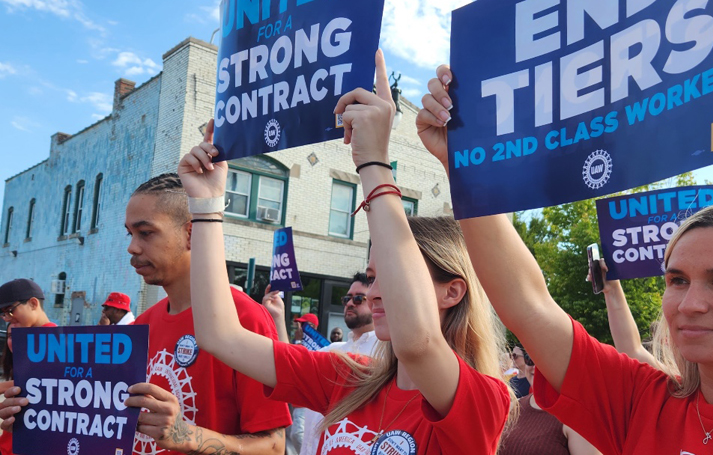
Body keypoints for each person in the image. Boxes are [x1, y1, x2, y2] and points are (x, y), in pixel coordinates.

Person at [416, 1, 713, 453]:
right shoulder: (638, 400)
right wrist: (465, 168)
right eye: (676, 280)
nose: (689, 303)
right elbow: (528, 306)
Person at [177, 50, 514, 454]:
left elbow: (419, 344)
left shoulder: (483, 400)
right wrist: (207, 205)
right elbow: (220, 335)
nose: (372, 293)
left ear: (452, 291)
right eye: (371, 278)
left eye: (389, 275)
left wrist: (373, 160)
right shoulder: (348, 377)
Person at [0, 175, 292, 455]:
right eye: (130, 233)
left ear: (192, 233)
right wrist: (37, 417)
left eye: (146, 232)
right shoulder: (141, 326)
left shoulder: (245, 319)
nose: (132, 246)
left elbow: (274, 447)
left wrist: (186, 436)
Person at [298, 273, 380, 455]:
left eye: (359, 298)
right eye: (347, 298)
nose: (350, 303)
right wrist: (278, 317)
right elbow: (295, 371)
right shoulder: (332, 350)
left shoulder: (388, 354)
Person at [499, 351, 601, 455]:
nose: (537, 366)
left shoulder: (579, 416)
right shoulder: (514, 408)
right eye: (530, 359)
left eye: (547, 360)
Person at [0, 278, 57, 455]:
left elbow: (39, 381)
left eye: (10, 311)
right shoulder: (28, 339)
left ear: (33, 303)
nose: (6, 318)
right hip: (14, 442)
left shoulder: (52, 339)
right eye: (2, 313)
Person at [587, 260, 658, 367]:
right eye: (677, 282)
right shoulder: (674, 381)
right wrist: (612, 288)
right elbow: (633, 351)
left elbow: (633, 351)